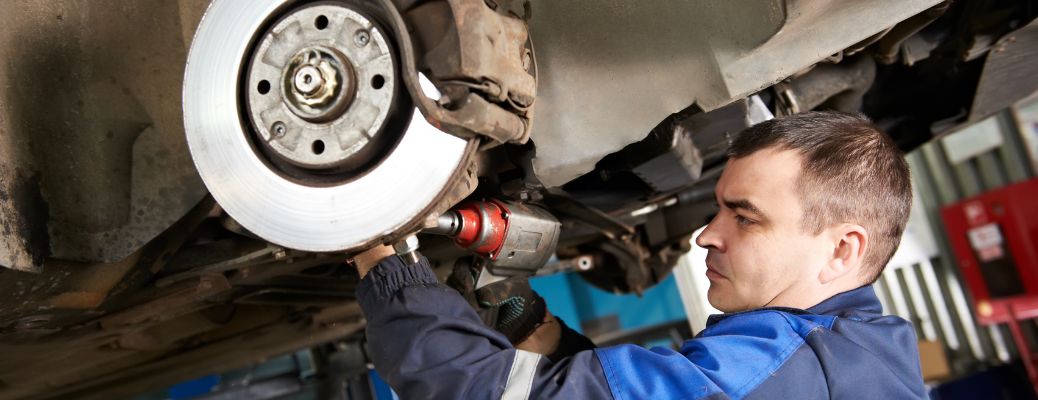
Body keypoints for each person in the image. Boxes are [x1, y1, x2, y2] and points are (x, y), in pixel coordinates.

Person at [351, 111, 927, 399]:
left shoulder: (774, 372)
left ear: (841, 250)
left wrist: (381, 259)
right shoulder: (858, 358)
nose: (706, 235)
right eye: (720, 208)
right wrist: (537, 329)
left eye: (745, 217)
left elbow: (491, 394)